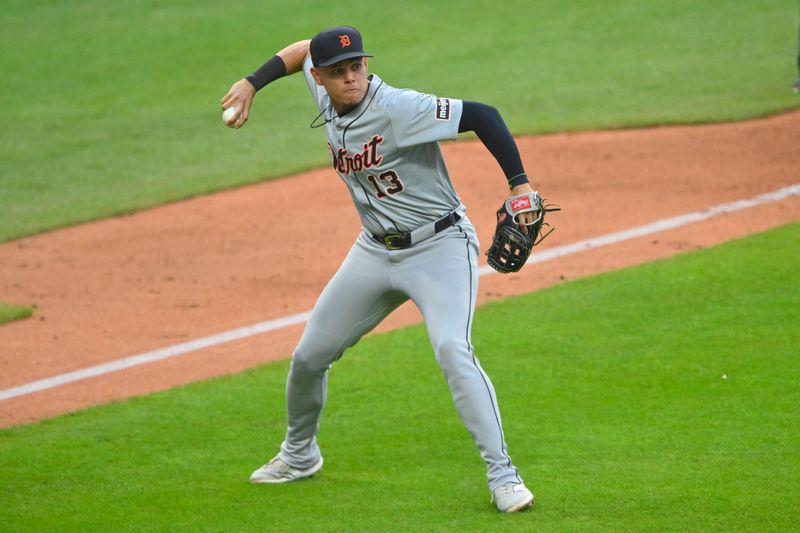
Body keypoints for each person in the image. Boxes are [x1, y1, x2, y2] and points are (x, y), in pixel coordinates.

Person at [221, 26, 543, 513]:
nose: (350, 78)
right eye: (338, 71)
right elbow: (302, 50)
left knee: (453, 349)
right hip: (373, 251)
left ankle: (503, 475)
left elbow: (482, 115)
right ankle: (299, 454)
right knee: (310, 356)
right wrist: (251, 82)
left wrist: (519, 183)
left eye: (357, 66)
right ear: (321, 78)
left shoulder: (399, 108)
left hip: (440, 246)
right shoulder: (322, 84)